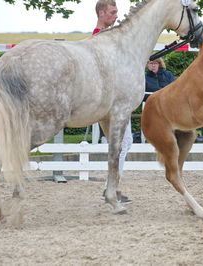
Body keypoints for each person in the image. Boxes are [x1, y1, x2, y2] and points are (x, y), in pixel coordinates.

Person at [93, 0, 132, 204]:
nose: (116, 16)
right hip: (112, 102)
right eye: (112, 12)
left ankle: (112, 186)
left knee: (123, 143)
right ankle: (113, 187)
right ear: (101, 12)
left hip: (114, 99)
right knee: (123, 143)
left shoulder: (107, 35)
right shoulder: (99, 37)